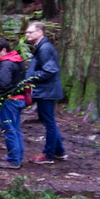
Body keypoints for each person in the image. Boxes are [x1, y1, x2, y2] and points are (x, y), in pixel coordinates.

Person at [25, 22, 66, 164]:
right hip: (45, 90)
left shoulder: (44, 49)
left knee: (49, 122)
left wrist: (32, 77)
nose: (27, 34)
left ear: (40, 32)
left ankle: (48, 155)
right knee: (48, 120)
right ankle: (59, 151)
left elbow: (50, 70)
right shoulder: (42, 47)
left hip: (46, 91)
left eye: (30, 32)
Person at [0, 38, 26, 169]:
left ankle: (13, 159)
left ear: (4, 50)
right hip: (18, 99)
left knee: (9, 130)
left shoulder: (6, 64)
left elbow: (4, 84)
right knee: (16, 129)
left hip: (8, 101)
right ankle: (18, 156)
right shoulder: (17, 60)